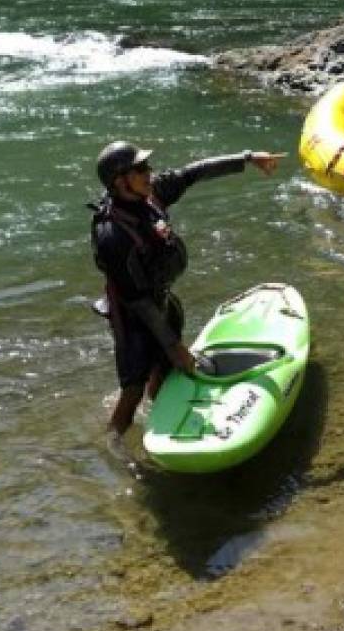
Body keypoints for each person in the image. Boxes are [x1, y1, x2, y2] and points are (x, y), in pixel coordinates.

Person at [90, 142, 280, 439]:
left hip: (162, 301)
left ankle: (162, 417)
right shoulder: (111, 236)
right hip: (133, 318)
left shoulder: (150, 196)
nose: (149, 173)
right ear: (120, 181)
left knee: (164, 372)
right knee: (133, 389)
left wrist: (246, 157)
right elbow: (136, 300)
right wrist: (174, 346)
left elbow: (192, 173)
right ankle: (113, 445)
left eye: (147, 167)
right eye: (140, 169)